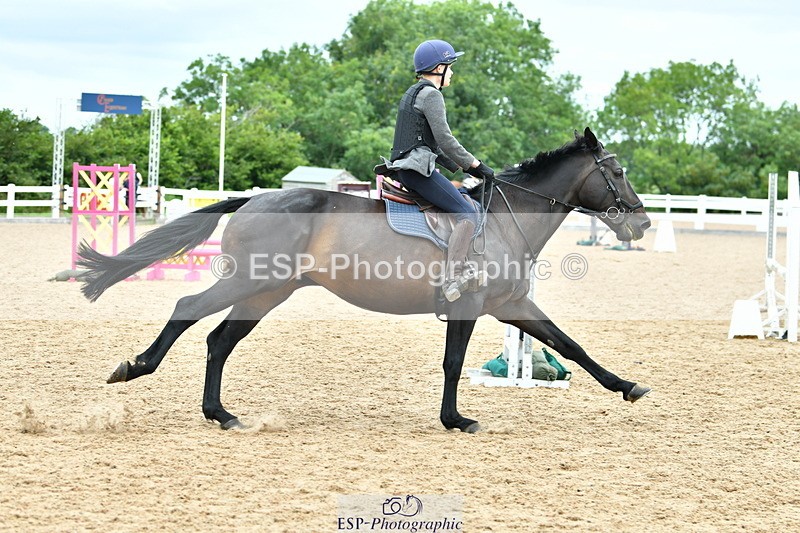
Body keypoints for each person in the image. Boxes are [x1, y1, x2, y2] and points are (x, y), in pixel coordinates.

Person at [378, 39, 495, 302]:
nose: (452, 72)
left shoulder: (413, 92)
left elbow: (429, 143)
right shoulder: (432, 95)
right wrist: (476, 165)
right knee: (466, 213)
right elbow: (445, 139)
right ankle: (453, 277)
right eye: (450, 66)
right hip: (416, 170)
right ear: (439, 68)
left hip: (409, 167)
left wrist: (462, 168)